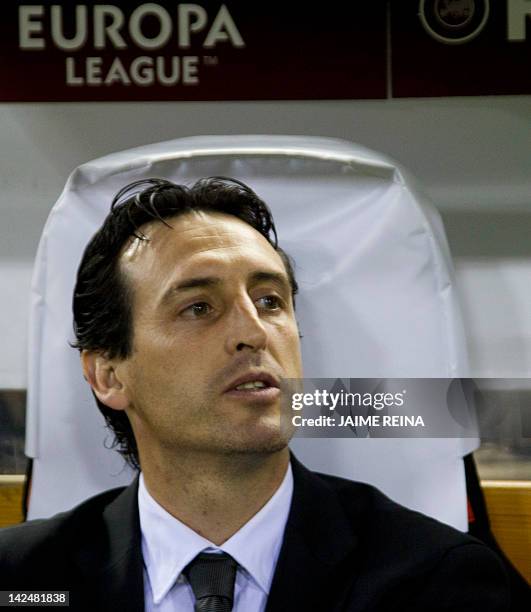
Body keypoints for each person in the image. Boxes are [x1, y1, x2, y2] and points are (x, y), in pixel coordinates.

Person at [0, 177, 512, 611]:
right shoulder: (22, 581)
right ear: (108, 375)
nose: (255, 331)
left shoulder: (439, 584)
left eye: (270, 301)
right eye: (199, 307)